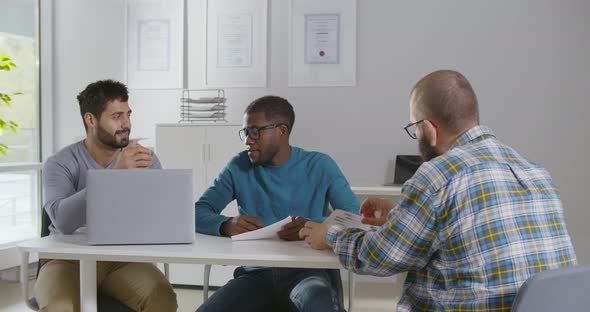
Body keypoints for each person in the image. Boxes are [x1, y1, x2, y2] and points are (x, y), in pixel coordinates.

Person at [300, 70, 577, 311]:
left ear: (429, 129)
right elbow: (483, 231)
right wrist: (399, 216)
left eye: (414, 126)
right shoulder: (534, 171)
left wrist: (331, 235)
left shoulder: (438, 175)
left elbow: (380, 258)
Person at [195, 95, 359, 312]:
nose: (247, 141)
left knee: (320, 306)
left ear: (282, 130)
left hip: (307, 272)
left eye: (254, 131)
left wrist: (311, 225)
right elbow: (197, 211)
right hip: (254, 275)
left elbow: (352, 216)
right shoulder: (238, 166)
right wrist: (225, 224)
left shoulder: (320, 165)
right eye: (245, 132)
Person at [35, 80, 177, 312]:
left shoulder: (143, 159)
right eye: (117, 116)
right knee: (57, 307)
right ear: (90, 120)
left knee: (162, 297)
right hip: (66, 259)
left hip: (122, 259)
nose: (126, 124)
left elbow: (159, 215)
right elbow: (62, 221)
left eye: (128, 115)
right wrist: (115, 174)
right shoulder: (60, 163)